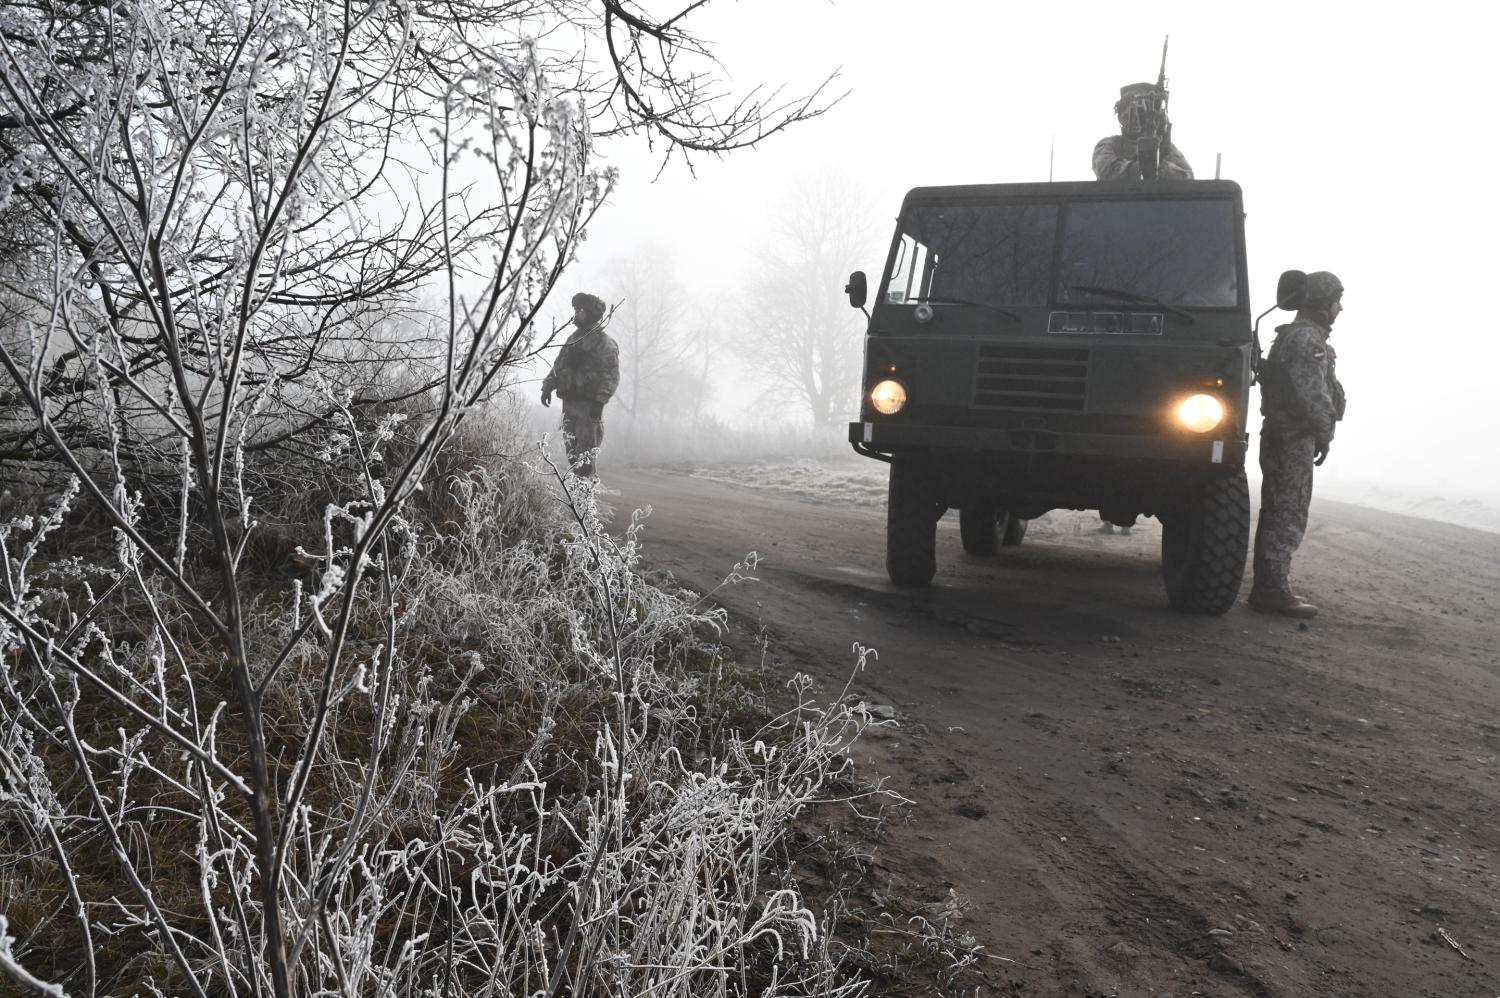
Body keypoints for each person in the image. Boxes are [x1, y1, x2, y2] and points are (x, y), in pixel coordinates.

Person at [1250, 271, 1347, 617]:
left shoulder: (1296, 336)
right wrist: (1325, 431)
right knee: (1288, 512)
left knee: (1278, 508)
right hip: (1292, 438)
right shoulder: (1307, 339)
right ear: (1322, 303)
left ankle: (1269, 586)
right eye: (1336, 300)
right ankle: (1272, 590)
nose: (1340, 308)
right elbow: (1312, 395)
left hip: (1283, 435)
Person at [541, 292, 619, 478]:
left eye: (581, 310)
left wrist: (600, 402)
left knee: (585, 457)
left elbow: (611, 375)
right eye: (576, 310)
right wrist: (547, 386)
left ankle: (584, 501)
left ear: (591, 313)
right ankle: (577, 499)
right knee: (572, 454)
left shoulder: (604, 343)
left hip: (588, 408)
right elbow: (559, 365)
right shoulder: (573, 339)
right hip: (569, 405)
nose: (576, 314)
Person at [1093, 82, 1194, 181]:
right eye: (1138, 112)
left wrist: (1160, 167)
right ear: (1122, 117)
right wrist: (1141, 168)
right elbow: (1106, 170)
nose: (1143, 118)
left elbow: (1187, 176)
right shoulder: (1110, 145)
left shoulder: (1165, 147)